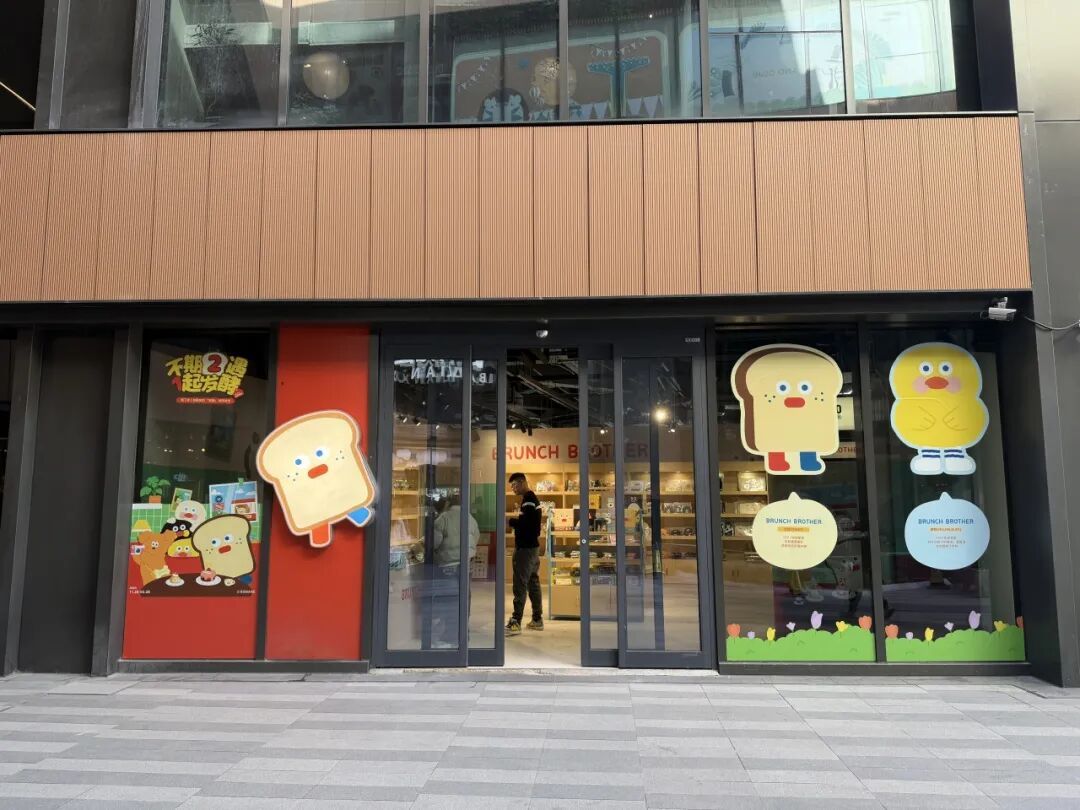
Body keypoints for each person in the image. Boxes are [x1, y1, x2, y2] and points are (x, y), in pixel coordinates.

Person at [430, 495, 480, 648]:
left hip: (448, 564)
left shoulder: (443, 518)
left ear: (448, 503)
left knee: (451, 600)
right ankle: (464, 632)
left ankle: (451, 635)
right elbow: (476, 537)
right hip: (466, 565)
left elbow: (434, 542)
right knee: (465, 598)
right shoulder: (470, 518)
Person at [507, 472, 543, 635]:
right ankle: (537, 619)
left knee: (520, 584)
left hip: (525, 549)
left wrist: (511, 521)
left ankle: (516, 622)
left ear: (522, 482)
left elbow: (527, 525)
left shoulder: (528, 500)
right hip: (533, 548)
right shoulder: (532, 499)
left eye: (514, 485)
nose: (513, 488)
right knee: (533, 583)